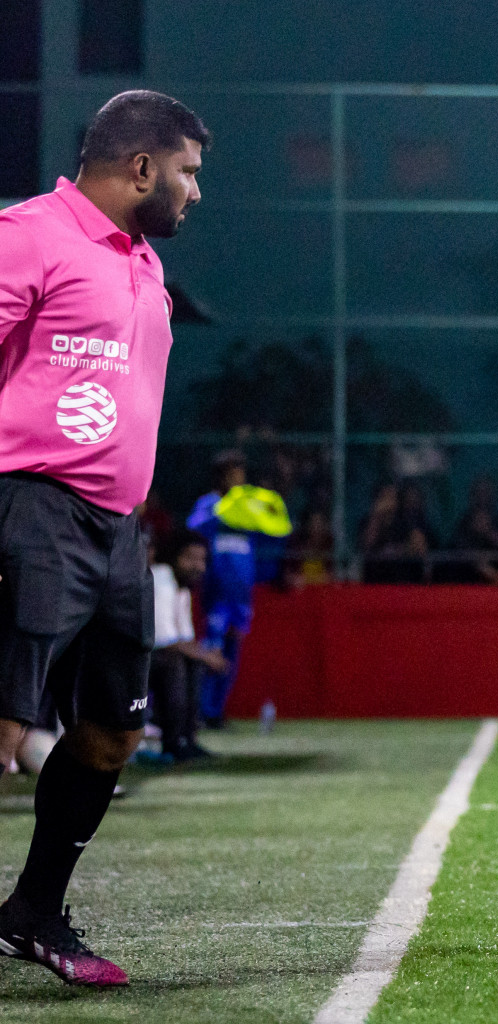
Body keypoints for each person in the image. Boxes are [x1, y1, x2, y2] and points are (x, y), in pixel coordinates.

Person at [0, 89, 207, 987]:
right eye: (189, 173)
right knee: (4, 725)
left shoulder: (146, 261)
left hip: (118, 531)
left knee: (112, 733)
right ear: (141, 168)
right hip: (32, 508)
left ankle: (33, 913)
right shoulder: (28, 234)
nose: (195, 191)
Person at [186, 450, 254, 729]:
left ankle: (216, 711)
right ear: (222, 476)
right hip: (217, 593)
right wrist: (221, 511)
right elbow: (194, 528)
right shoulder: (209, 504)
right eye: (234, 474)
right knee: (212, 651)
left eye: (241, 473)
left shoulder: (247, 508)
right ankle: (200, 710)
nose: (239, 479)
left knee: (232, 653)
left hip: (241, 593)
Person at [149, 531, 228, 760]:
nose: (199, 566)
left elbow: (184, 638)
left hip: (152, 657)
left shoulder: (181, 586)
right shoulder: (161, 579)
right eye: (191, 558)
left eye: (202, 560)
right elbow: (165, 642)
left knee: (193, 662)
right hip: (127, 660)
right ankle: (173, 743)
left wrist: (206, 655)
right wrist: (205, 656)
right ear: (174, 556)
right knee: (174, 663)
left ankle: (187, 740)